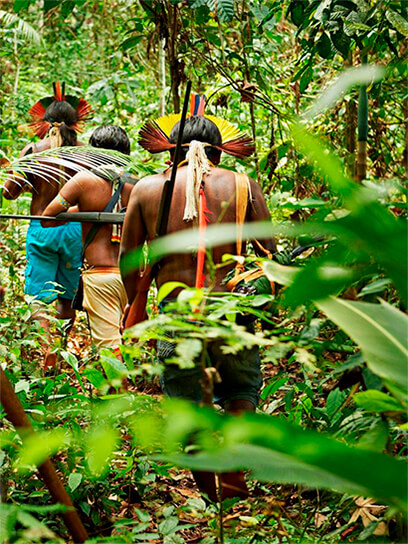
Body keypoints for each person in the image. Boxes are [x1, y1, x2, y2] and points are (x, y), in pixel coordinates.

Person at [119, 101, 276, 501]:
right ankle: (235, 486)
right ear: (220, 152)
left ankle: (213, 494)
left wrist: (136, 299)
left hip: (176, 317)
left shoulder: (148, 189)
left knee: (187, 407)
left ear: (170, 151)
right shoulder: (243, 186)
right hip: (232, 313)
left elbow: (129, 261)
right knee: (242, 395)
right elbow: (269, 254)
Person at [2, 82, 93, 368]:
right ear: (76, 124)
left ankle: (44, 354)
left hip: (41, 228)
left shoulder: (33, 150)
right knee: (66, 297)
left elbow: (8, 191)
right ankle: (60, 353)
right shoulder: (86, 153)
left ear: (45, 123)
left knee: (41, 297)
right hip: (74, 230)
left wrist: (31, 180)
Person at [42, 125, 134, 356]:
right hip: (131, 276)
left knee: (110, 350)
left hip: (100, 277)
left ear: (94, 152)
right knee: (128, 344)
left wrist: (84, 210)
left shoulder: (83, 181)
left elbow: (47, 219)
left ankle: (120, 391)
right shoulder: (138, 184)